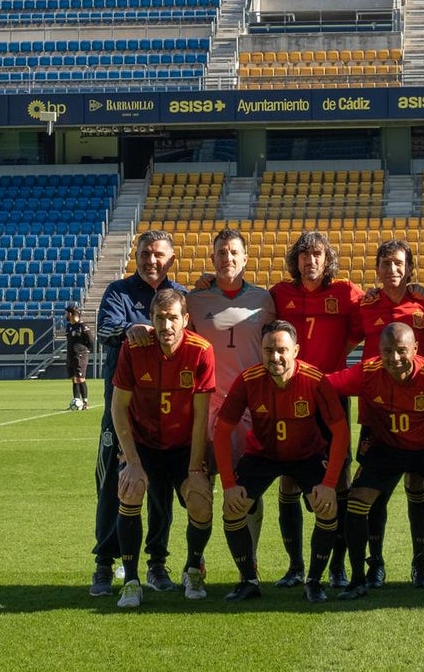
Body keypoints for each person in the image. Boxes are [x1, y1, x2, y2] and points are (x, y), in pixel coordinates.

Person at [325, 322, 424, 600]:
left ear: (416, 349)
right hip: (386, 449)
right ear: (378, 351)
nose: (394, 358)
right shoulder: (368, 372)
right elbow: (328, 384)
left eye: (401, 351)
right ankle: (358, 578)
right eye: (387, 351)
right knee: (357, 502)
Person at [213, 320, 350, 603]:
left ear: (295, 350)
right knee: (233, 508)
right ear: (260, 351)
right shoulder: (248, 380)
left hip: (306, 456)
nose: (275, 357)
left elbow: (341, 430)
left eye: (281, 350)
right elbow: (222, 429)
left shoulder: (315, 380)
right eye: (268, 350)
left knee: (327, 507)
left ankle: (313, 581)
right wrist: (228, 484)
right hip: (262, 455)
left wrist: (329, 483)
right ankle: (248, 580)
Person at [90, 230, 184, 597]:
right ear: (136, 255)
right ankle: (105, 563)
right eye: (145, 253)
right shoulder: (118, 292)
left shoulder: (179, 297)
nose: (151, 260)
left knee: (161, 490)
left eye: (159, 254)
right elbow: (105, 330)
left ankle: (157, 564)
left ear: (171, 259)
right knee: (115, 486)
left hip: (166, 412)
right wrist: (130, 328)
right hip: (123, 410)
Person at [109, 289, 215, 609]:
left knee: (200, 501)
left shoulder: (201, 351)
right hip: (144, 444)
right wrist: (131, 461)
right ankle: (130, 581)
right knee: (130, 489)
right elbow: (118, 407)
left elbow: (201, 416)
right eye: (159, 318)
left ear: (185, 320)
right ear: (151, 321)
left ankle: (192, 570)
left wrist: (196, 469)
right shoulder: (134, 348)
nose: (166, 325)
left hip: (183, 446)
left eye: (172, 318)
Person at [270, 230, 364, 588]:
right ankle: (295, 566)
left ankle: (337, 565)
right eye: (304, 255)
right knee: (289, 479)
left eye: (318, 255)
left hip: (330, 396)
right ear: (295, 260)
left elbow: (360, 329)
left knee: (337, 478)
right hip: (290, 397)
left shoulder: (346, 292)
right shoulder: (280, 294)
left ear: (328, 261)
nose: (310, 261)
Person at [185, 229, 278, 579]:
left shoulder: (265, 300)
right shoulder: (195, 301)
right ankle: (196, 560)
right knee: (202, 487)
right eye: (221, 252)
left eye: (234, 252)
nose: (228, 258)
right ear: (212, 259)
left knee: (249, 489)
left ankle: (248, 563)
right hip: (206, 410)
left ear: (245, 257)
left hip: (251, 411)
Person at [355, 240, 424, 589]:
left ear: (409, 268)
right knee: (376, 489)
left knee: (416, 484)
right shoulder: (364, 304)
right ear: (377, 268)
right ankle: (376, 564)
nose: (392, 269)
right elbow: (344, 339)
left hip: (419, 408)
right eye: (386, 263)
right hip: (376, 408)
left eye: (399, 263)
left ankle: (420, 564)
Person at [64, 303, 93, 411]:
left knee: (81, 378)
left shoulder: (82, 326)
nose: (65, 315)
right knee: (74, 379)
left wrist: (85, 350)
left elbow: (90, 340)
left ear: (70, 314)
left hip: (80, 355)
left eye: (66, 313)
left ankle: (85, 402)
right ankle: (76, 400)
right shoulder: (68, 327)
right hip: (70, 355)